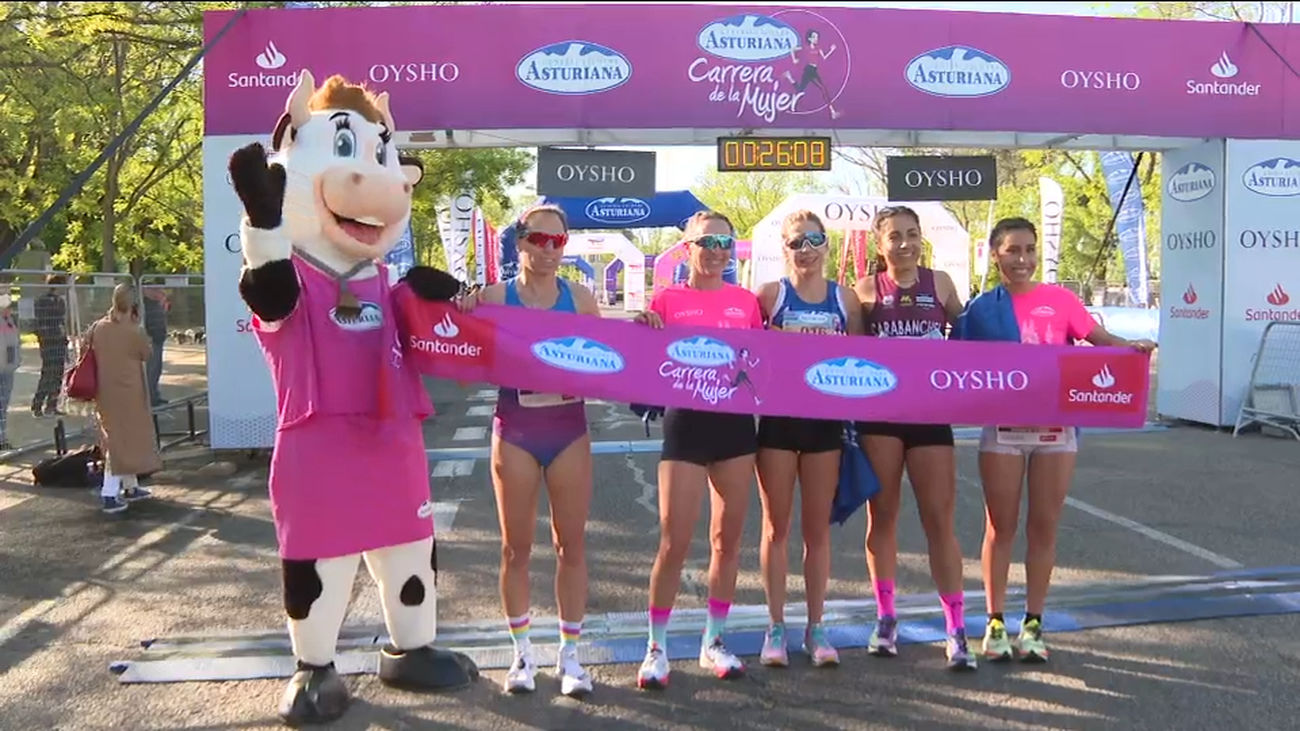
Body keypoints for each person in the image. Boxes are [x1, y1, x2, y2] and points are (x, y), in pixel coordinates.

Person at [952, 217, 1155, 663]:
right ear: (995, 254)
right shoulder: (981, 308)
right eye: (1012, 250)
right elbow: (955, 363)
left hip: (1056, 433)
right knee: (999, 527)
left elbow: (1099, 340)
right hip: (1003, 432)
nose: (1022, 259)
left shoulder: (1060, 300)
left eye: (1029, 249)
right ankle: (995, 622)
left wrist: (1131, 349)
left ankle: (1034, 623)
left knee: (1043, 527)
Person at [457, 204, 600, 698]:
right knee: (515, 548)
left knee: (571, 546)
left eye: (557, 242)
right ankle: (521, 655)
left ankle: (570, 656)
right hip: (515, 427)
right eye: (538, 239)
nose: (547, 249)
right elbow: (456, 341)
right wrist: (458, 313)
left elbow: (608, 361)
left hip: (568, 430)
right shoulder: (495, 296)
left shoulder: (581, 298)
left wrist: (646, 331)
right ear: (520, 242)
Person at [633, 210, 762, 689]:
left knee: (726, 543)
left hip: (734, 431)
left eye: (724, 244)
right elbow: (644, 358)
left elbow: (765, 363)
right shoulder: (666, 299)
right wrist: (643, 328)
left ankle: (714, 641)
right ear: (686, 247)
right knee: (674, 542)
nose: (715, 252)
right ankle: (656, 648)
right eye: (705, 243)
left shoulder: (746, 302)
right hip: (685, 427)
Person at [852, 205, 975, 670]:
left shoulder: (940, 283)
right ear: (879, 244)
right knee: (882, 519)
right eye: (894, 237)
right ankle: (886, 618)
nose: (903, 244)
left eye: (911, 235)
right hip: (881, 416)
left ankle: (956, 626)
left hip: (929, 416)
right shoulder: (864, 291)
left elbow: (971, 338)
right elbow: (851, 354)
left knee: (938, 521)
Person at [753, 209, 864, 668]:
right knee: (776, 528)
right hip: (778, 424)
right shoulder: (767, 296)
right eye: (797, 242)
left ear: (827, 245)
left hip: (824, 425)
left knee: (816, 533)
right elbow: (737, 349)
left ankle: (816, 626)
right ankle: (775, 625)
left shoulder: (846, 299)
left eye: (814, 240)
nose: (807, 249)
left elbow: (862, 362)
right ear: (784, 248)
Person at [89, 284, 161, 514]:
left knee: (117, 436)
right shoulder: (133, 330)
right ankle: (109, 493)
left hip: (105, 391)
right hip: (129, 392)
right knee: (122, 442)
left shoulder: (99, 327)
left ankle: (130, 486)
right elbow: (146, 353)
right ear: (133, 304)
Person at [32, 274, 69, 417]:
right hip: (48, 341)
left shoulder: (60, 301)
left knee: (58, 373)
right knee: (48, 373)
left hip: (59, 341)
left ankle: (52, 405)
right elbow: (41, 322)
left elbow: (61, 321)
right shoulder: (42, 301)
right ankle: (37, 404)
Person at [142, 286, 169, 406]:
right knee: (152, 370)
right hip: (152, 340)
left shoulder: (157, 304)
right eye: (156, 290)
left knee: (157, 369)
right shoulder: (146, 306)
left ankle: (155, 395)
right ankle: (151, 397)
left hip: (158, 338)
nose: (160, 292)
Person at [0, 294, 20, 450]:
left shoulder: (10, 322)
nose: (9, 310)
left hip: (8, 368)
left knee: (3, 404)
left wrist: (16, 361)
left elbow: (14, 343)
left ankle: (2, 437)